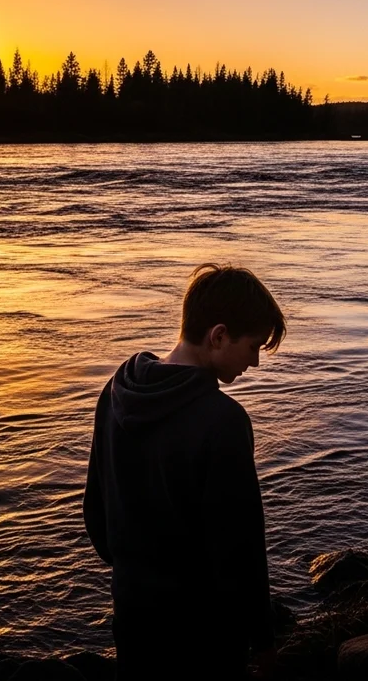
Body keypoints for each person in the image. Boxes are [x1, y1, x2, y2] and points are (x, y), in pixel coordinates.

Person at [84, 263, 287, 680]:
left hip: (134, 616)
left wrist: (134, 572)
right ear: (218, 335)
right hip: (203, 634)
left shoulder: (118, 389)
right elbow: (241, 547)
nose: (254, 363)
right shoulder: (223, 420)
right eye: (253, 347)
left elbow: (95, 510)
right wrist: (263, 642)